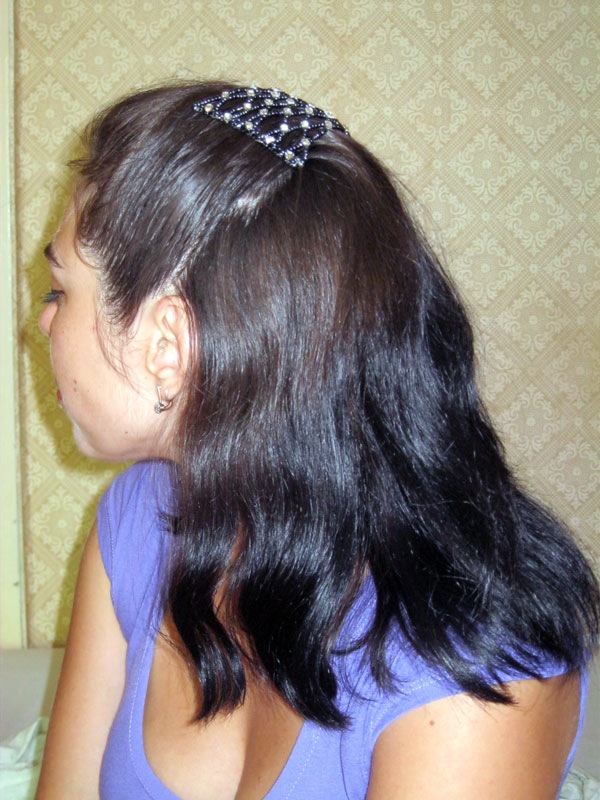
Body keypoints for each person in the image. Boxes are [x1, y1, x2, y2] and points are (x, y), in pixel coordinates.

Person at [35, 82, 598, 800]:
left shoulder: (470, 677)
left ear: (167, 346)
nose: (43, 323)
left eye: (60, 291)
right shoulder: (136, 521)